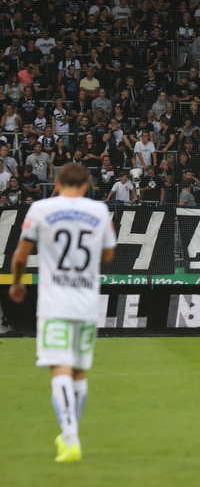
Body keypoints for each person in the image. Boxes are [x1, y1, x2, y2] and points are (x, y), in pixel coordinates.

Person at [8, 163, 117, 462]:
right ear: (86, 185)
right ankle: (69, 433)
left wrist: (16, 283)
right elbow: (108, 256)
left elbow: (20, 255)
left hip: (54, 302)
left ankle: (70, 437)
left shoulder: (41, 209)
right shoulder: (99, 211)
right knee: (79, 372)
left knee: (60, 368)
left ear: (56, 183)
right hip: (86, 301)